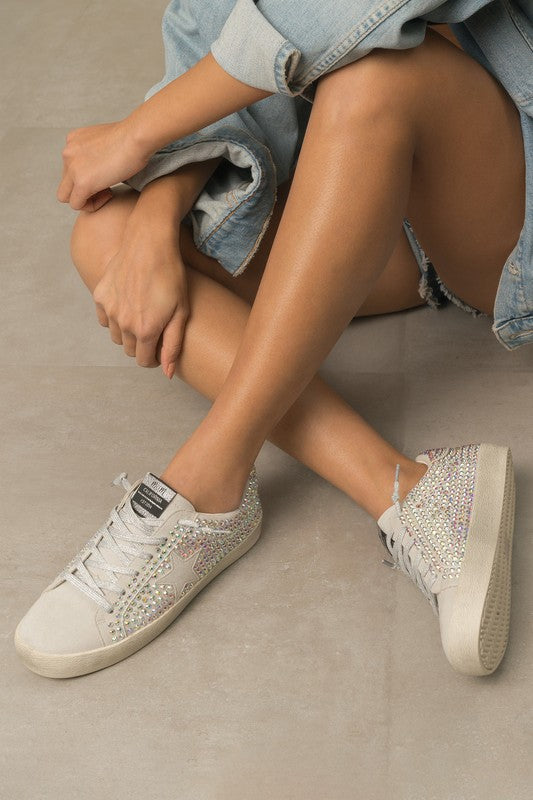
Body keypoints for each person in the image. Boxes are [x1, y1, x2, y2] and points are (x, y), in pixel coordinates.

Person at [14, 0, 531, 679]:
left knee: (376, 77)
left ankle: (206, 480)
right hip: (381, 198)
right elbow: (221, 34)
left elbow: (344, 16)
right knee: (107, 238)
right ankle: (407, 489)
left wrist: (140, 131)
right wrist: (156, 216)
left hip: (501, 203)